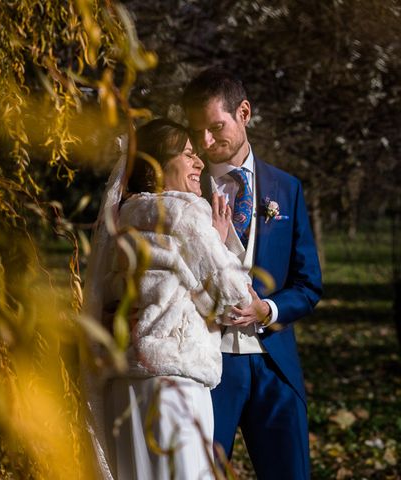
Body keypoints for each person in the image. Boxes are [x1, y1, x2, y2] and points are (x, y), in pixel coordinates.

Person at [83, 118, 252, 480]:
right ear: (159, 166)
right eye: (189, 154)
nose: (200, 163)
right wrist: (219, 243)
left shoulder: (123, 218)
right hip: (173, 383)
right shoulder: (186, 213)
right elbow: (235, 299)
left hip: (124, 383)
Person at [181, 68, 323, 479]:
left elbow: (308, 284)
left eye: (216, 127)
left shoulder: (287, 188)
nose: (206, 142)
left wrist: (268, 309)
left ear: (244, 112)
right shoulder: (183, 190)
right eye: (197, 131)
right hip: (207, 366)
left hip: (275, 366)